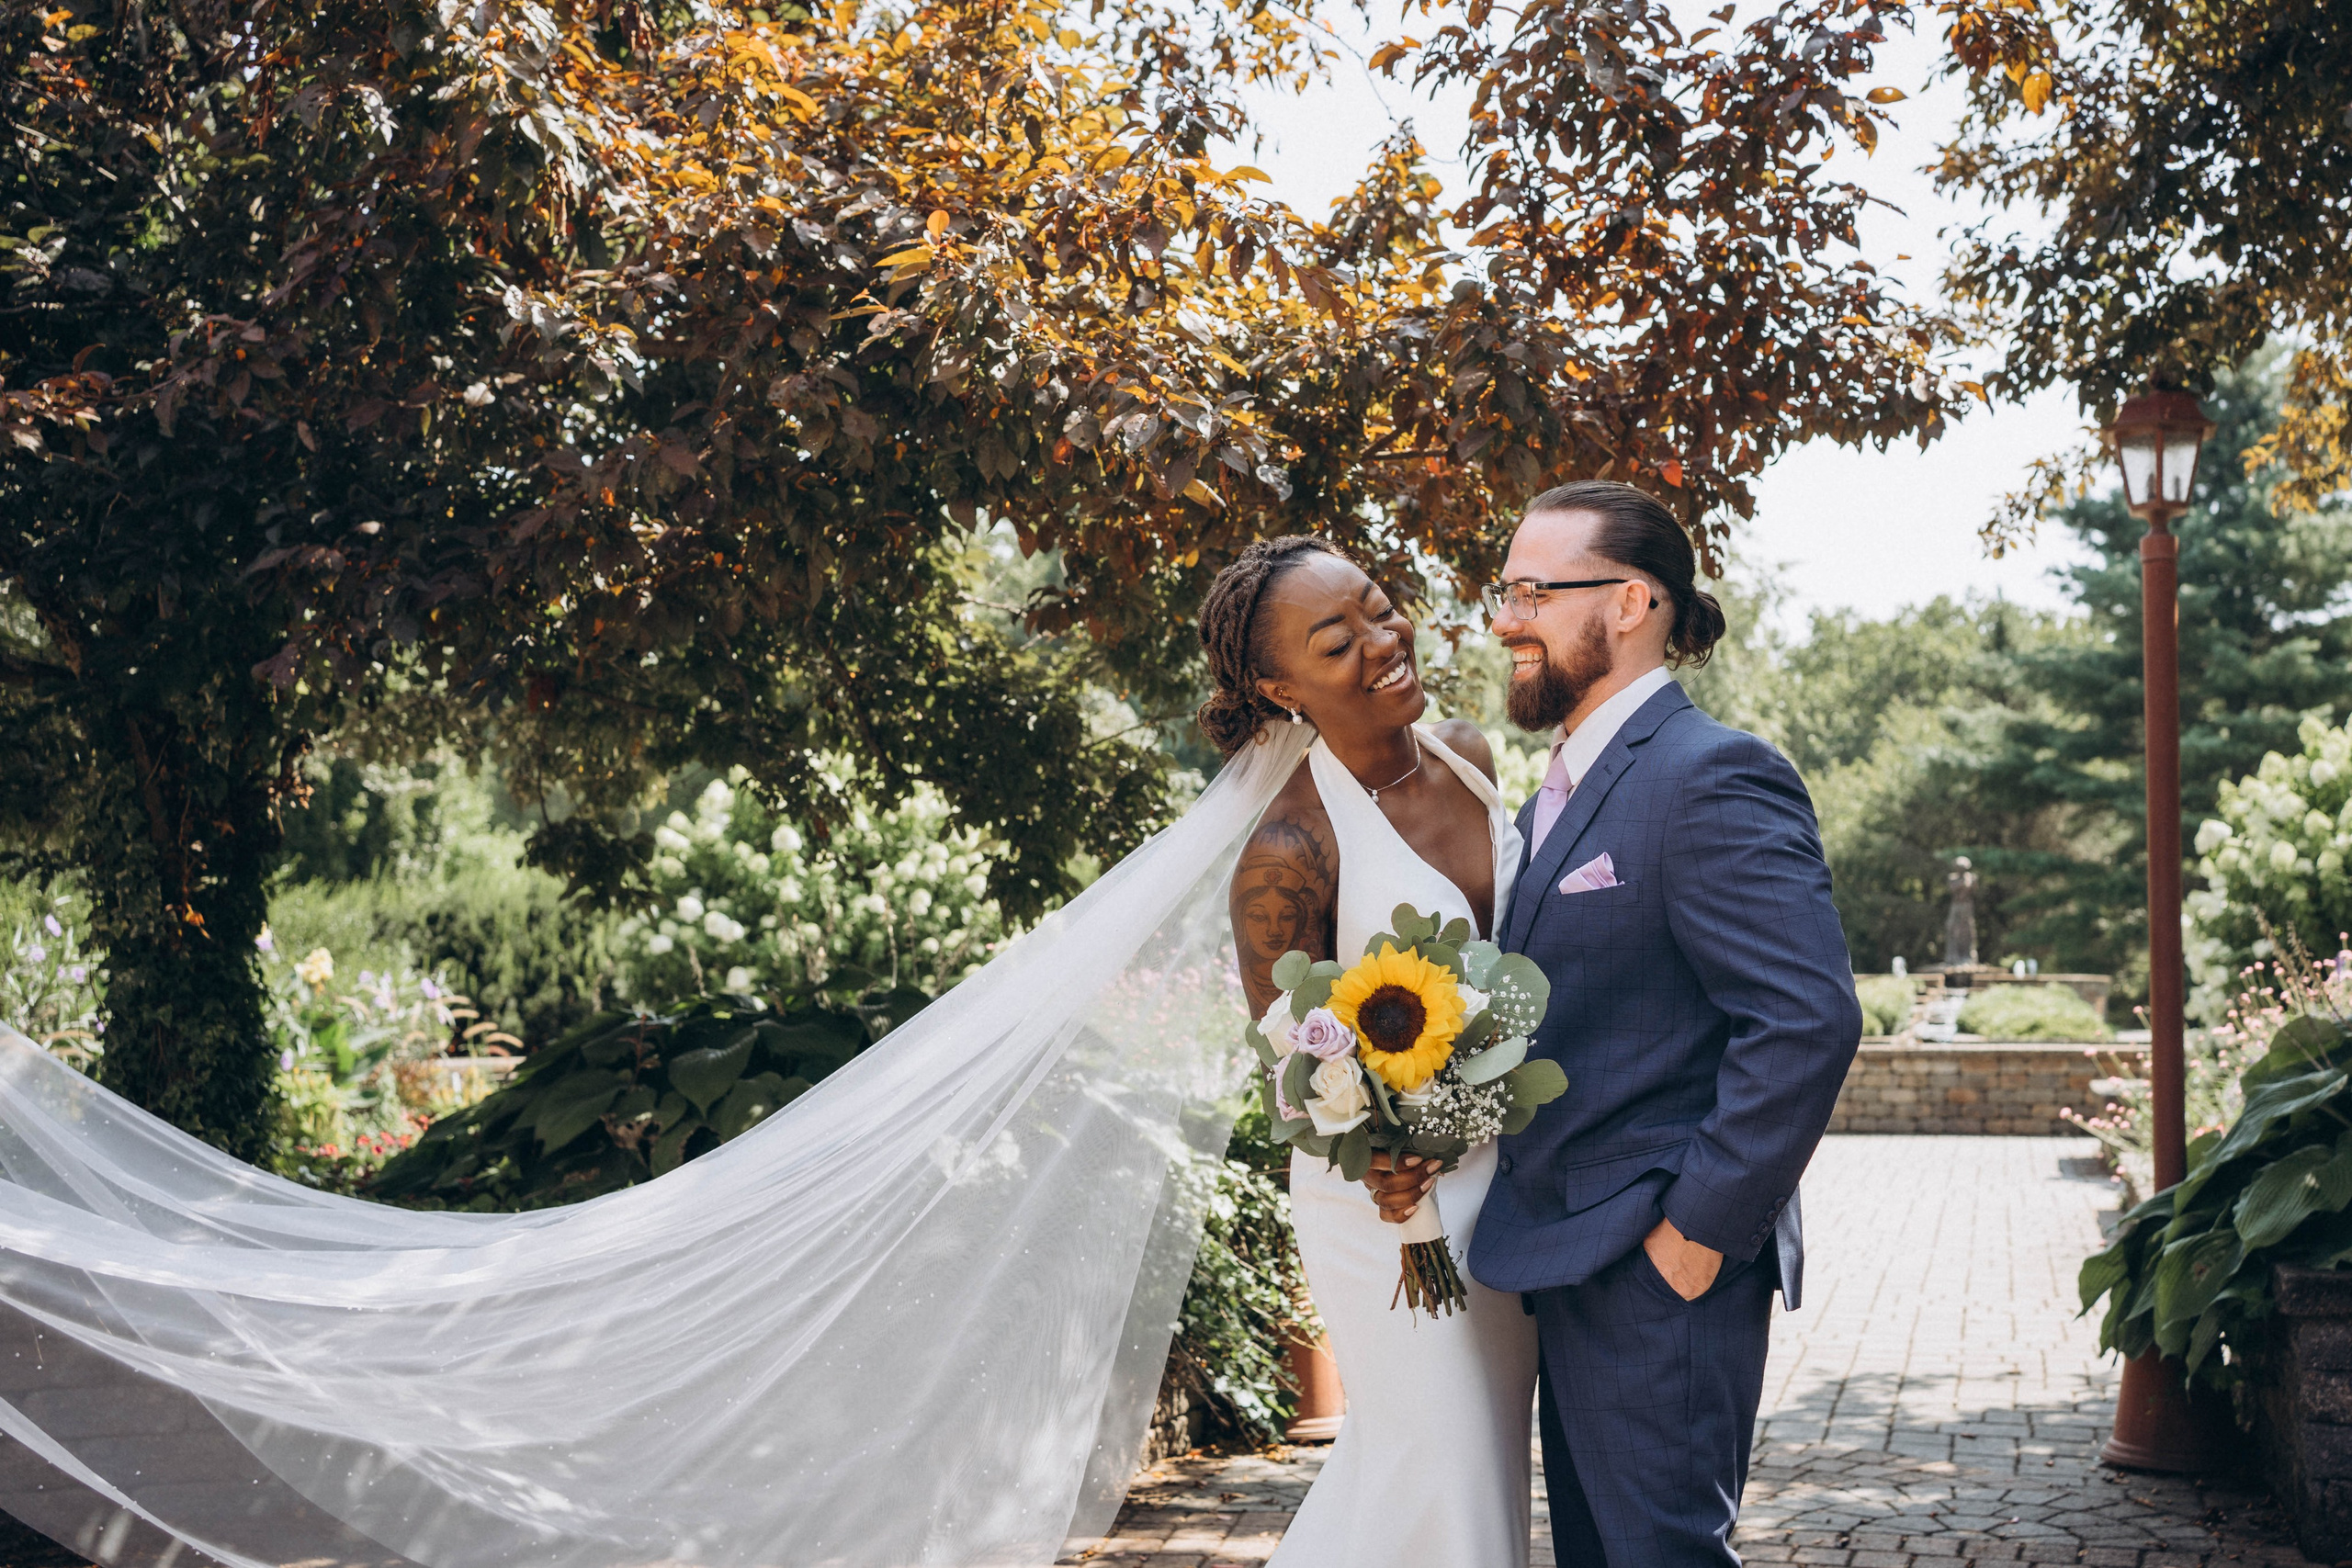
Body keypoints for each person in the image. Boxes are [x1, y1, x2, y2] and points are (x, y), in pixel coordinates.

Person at [1368, 480, 1862, 1568]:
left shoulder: (1712, 776)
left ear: (1631, 600)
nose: (1504, 620)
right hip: (1558, 1258)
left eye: (1532, 592)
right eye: (1504, 593)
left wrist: (1692, 1240)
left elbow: (1806, 1021)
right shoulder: (1549, 796)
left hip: (1656, 1274)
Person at [1203, 535, 1540, 1567]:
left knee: (1472, 1463)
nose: (1383, 641)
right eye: (1335, 640)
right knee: (1432, 1459)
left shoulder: (1466, 752)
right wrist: (1390, 1156)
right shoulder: (1288, 850)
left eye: (1380, 607)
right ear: (1277, 684)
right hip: (1389, 1208)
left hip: (1512, 1176)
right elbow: (1297, 1073)